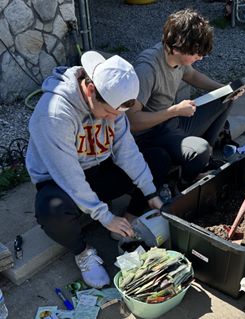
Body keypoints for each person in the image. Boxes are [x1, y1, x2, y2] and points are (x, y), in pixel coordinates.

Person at [26, 51, 171, 289]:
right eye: (109, 113)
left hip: (98, 168)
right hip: (59, 180)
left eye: (118, 114)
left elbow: (126, 150)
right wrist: (104, 216)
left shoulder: (113, 104)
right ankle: (82, 251)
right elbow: (69, 176)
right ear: (91, 90)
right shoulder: (54, 113)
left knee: (158, 160)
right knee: (50, 210)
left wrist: (151, 194)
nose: (113, 119)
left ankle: (128, 222)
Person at [127, 8, 245, 193]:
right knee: (198, 150)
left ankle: (206, 154)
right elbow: (132, 122)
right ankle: (183, 186)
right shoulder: (147, 69)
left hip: (172, 122)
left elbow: (192, 75)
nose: (199, 58)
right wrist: (175, 110)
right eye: (195, 54)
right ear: (176, 48)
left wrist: (225, 89)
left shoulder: (176, 56)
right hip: (152, 136)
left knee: (226, 99)